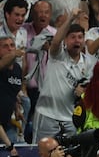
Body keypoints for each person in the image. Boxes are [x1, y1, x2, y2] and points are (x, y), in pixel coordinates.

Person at [32, 9, 93, 143]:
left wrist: (82, 91)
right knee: (41, 154)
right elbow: (55, 42)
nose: (76, 41)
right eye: (72, 37)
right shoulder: (57, 55)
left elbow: (88, 87)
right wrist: (70, 18)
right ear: (65, 40)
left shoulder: (88, 62)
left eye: (80, 37)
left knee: (70, 156)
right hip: (47, 115)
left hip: (70, 118)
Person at [0, 36, 22, 155]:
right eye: (5, 46)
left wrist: (16, 108)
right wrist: (9, 146)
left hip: (6, 122)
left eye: (12, 45)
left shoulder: (17, 68)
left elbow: (12, 91)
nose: (10, 49)